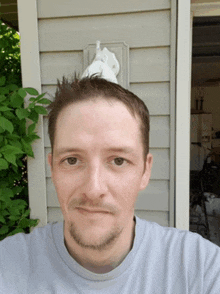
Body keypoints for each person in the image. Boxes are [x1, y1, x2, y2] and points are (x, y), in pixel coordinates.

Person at [1, 75, 220, 293]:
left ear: (145, 170)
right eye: (72, 160)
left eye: (118, 161)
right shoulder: (8, 265)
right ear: (53, 168)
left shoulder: (201, 270)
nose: (94, 189)